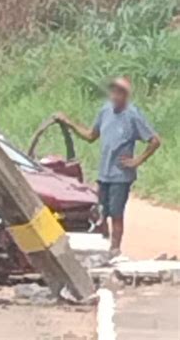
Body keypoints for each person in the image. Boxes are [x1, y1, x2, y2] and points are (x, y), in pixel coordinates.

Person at [55, 77, 161, 256]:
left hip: (121, 175)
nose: (115, 96)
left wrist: (137, 160)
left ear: (125, 95)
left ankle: (115, 249)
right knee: (101, 213)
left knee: (116, 213)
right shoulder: (105, 111)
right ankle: (103, 246)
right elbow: (90, 136)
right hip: (104, 173)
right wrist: (69, 123)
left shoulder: (133, 115)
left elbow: (155, 141)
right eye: (113, 91)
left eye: (119, 92)